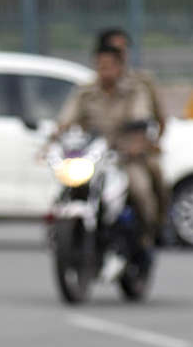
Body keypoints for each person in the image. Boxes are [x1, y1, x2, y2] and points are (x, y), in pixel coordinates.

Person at [55, 44, 159, 247]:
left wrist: (137, 142)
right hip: (93, 156)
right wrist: (55, 139)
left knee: (141, 189)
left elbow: (142, 116)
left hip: (124, 156)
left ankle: (147, 236)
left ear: (120, 67)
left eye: (108, 66)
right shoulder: (86, 92)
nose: (104, 71)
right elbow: (66, 120)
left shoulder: (134, 91)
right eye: (100, 66)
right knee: (65, 187)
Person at [96, 27, 169, 222]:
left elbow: (156, 117)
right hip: (98, 156)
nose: (121, 54)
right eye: (114, 49)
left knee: (149, 185)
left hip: (132, 152)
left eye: (123, 49)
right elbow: (69, 119)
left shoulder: (139, 85)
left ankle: (155, 228)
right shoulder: (90, 88)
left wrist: (149, 143)